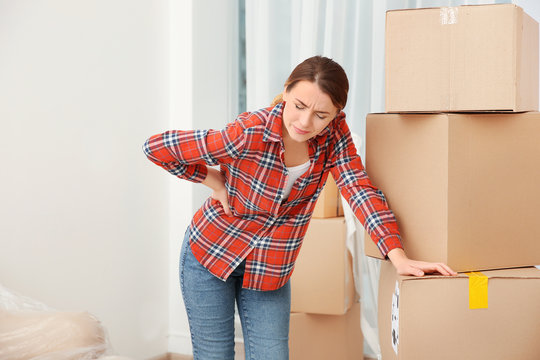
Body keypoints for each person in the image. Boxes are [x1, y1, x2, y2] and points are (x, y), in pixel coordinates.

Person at [143, 55, 457, 360]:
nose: (305, 122)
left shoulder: (334, 137)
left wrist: (397, 256)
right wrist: (213, 180)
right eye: (299, 106)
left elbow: (358, 190)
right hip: (210, 254)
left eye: (321, 115)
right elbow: (157, 147)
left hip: (270, 267)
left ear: (336, 113)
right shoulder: (248, 131)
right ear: (287, 91)